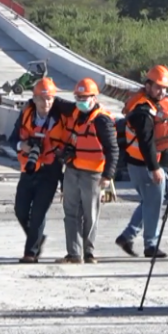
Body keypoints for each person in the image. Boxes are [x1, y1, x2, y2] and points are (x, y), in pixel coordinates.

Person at [53, 77, 119, 264]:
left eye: (84, 97)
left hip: (93, 175)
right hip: (73, 170)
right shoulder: (76, 112)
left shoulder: (102, 121)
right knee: (71, 212)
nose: (80, 101)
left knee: (90, 215)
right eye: (78, 97)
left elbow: (113, 149)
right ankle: (74, 254)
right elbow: (58, 103)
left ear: (94, 98)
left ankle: (89, 252)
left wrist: (108, 175)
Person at [116, 65, 168, 259]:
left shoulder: (154, 104)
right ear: (148, 85)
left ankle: (127, 236)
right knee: (153, 204)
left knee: (148, 203)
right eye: (158, 87)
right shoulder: (143, 111)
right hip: (146, 167)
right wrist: (155, 168)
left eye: (165, 88)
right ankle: (150, 245)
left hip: (149, 165)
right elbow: (146, 142)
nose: (162, 91)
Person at [9, 78, 74, 263]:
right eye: (43, 99)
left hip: (50, 171)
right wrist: (24, 146)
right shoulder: (26, 115)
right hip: (29, 168)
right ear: (34, 99)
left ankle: (31, 253)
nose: (46, 103)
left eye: (50, 99)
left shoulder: (60, 118)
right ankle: (36, 238)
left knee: (38, 212)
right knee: (20, 211)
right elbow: (12, 139)